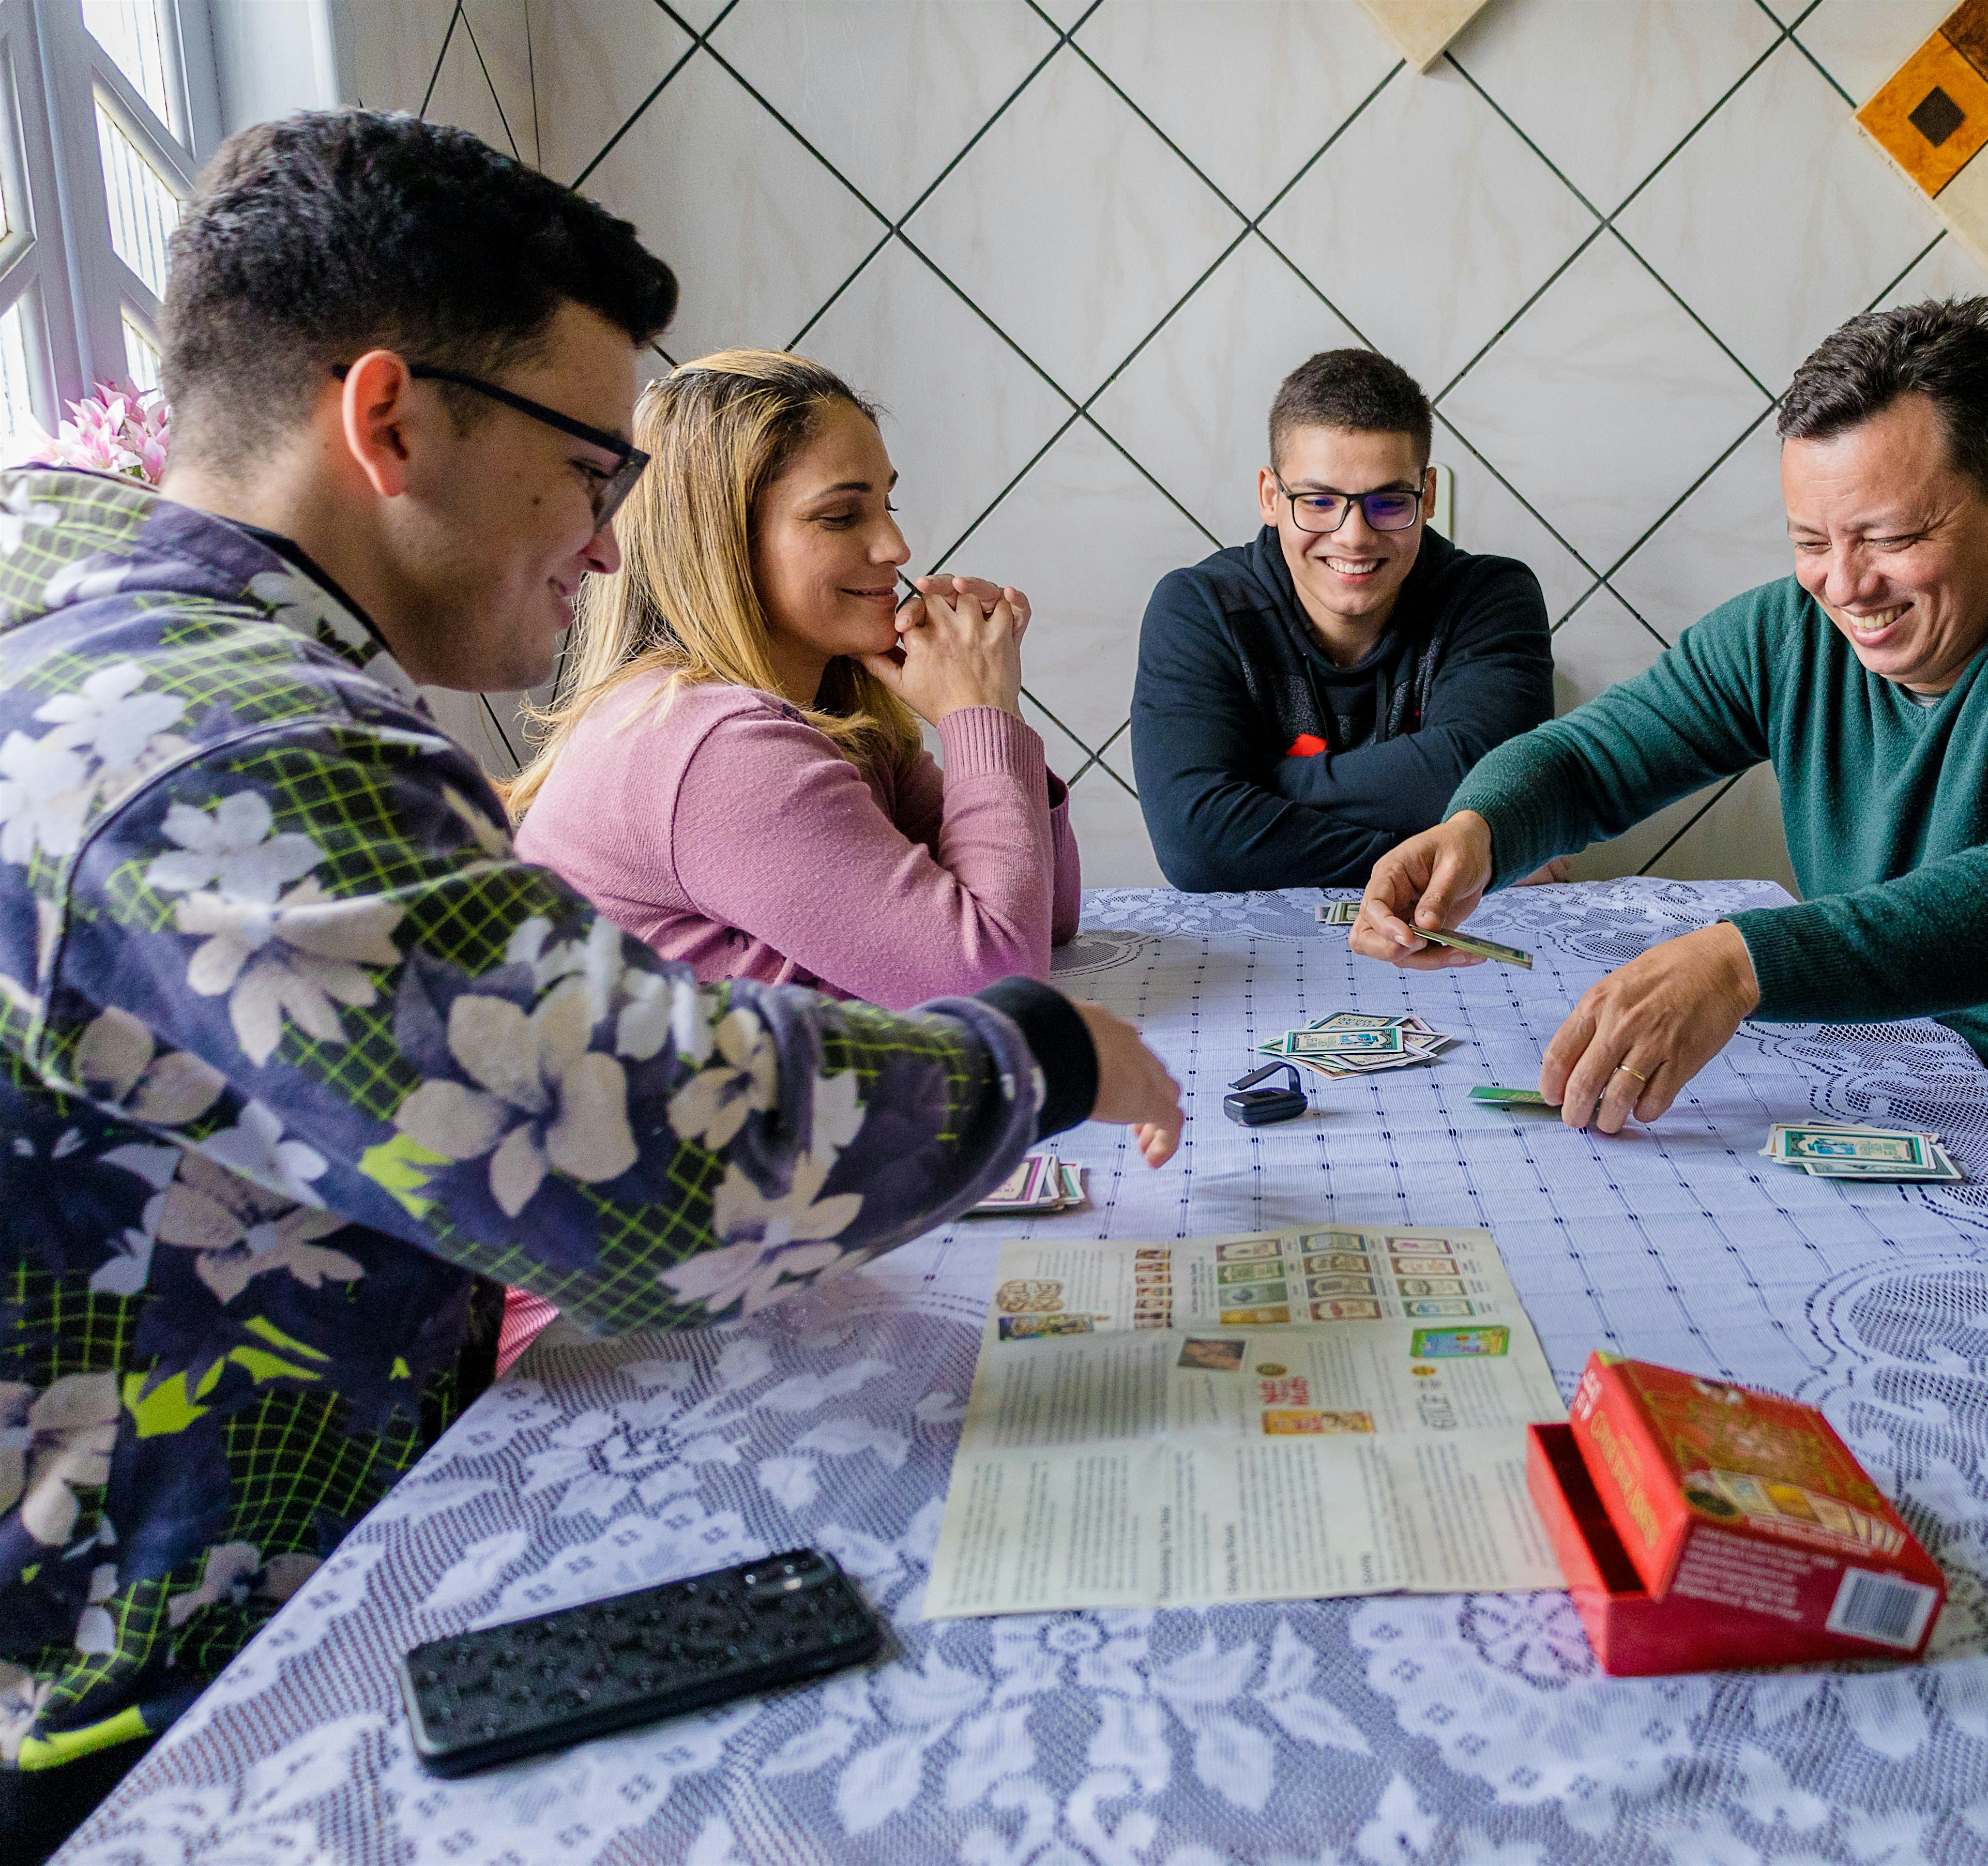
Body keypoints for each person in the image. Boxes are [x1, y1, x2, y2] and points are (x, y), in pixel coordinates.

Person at [0, 112, 1179, 1855]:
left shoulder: (130, 652)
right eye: (586, 466)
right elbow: (640, 1146)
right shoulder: (229, 746)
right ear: (387, 418)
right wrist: (1038, 1054)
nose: (611, 544)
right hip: (165, 1719)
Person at [1354, 298, 1988, 1122]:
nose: (1846, 585)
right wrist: (1478, 828)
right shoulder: (1787, 631)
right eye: (1811, 542)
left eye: (1892, 537)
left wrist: (1739, 962)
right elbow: (1588, 761)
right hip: (1903, 1085)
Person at [510, 351, 1080, 1006]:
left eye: (888, 503)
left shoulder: (833, 713)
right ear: (721, 544)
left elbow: (1049, 916)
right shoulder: (716, 749)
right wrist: (980, 713)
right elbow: (997, 983)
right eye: (841, 516)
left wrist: (986, 711)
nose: (895, 547)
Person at [1131, 348, 1553, 891]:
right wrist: (1457, 858)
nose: (1353, 536)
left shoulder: (1492, 597)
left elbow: (1487, 777)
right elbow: (1195, 844)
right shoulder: (1198, 609)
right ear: (1269, 496)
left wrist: (1256, 786)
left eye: (1388, 502)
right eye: (1318, 501)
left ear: (1426, 498)